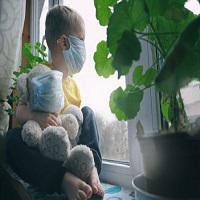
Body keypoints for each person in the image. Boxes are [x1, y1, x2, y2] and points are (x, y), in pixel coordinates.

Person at [6, 5, 104, 200]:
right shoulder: (41, 75)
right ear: (64, 42)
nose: (84, 48)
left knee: (88, 112)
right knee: (12, 139)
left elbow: (80, 130)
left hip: (71, 153)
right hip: (45, 155)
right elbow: (20, 112)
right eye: (82, 40)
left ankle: (91, 170)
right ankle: (63, 180)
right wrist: (35, 116)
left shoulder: (74, 87)